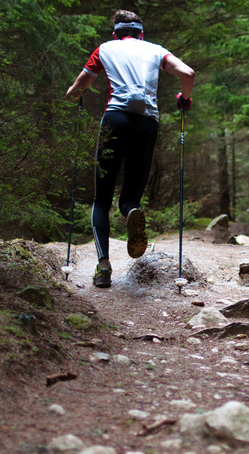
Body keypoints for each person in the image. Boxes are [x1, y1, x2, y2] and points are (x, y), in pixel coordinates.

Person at [66, 10, 195, 288]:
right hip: (148, 123)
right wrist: (184, 99)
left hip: (115, 119)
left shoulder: (105, 49)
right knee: (130, 198)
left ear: (115, 33)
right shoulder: (155, 50)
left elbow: (79, 86)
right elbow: (188, 73)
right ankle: (132, 211)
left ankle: (103, 267)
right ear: (141, 33)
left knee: (101, 198)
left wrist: (72, 95)